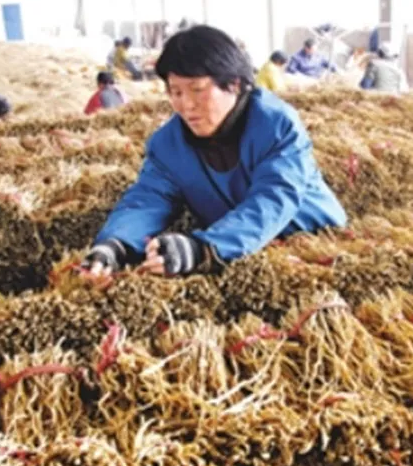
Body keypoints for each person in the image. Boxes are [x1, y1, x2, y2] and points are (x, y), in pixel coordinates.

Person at [83, 25, 346, 277]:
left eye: (197, 90)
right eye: (175, 92)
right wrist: (116, 245)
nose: (186, 105)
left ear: (234, 84)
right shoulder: (167, 145)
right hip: (234, 247)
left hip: (315, 237)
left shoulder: (276, 125)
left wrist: (205, 248)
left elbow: (273, 198)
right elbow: (149, 198)